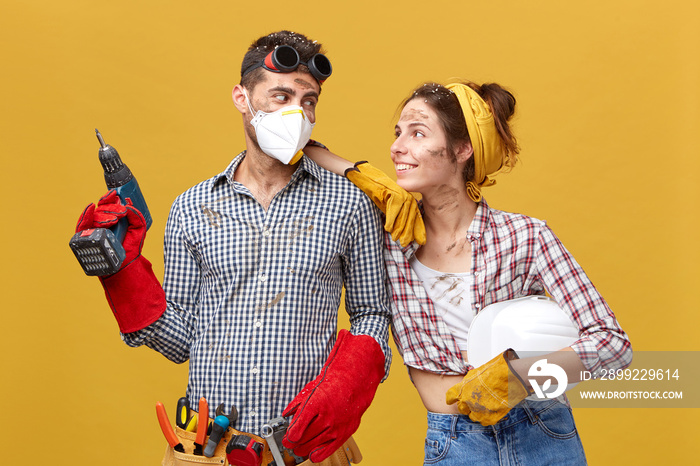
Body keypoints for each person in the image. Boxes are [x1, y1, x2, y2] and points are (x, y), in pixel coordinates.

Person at [74, 30, 391, 464]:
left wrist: (350, 383)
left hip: (306, 453)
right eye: (280, 96)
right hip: (206, 450)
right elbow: (183, 341)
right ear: (242, 97)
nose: (296, 112)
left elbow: (373, 312)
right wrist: (123, 275)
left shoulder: (348, 204)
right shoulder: (192, 207)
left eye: (308, 101)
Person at [304, 80, 633, 465]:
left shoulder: (525, 236)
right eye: (398, 133)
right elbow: (301, 150)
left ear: (462, 150)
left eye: (417, 133)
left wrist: (520, 377)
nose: (397, 147)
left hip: (542, 431)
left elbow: (613, 344)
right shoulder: (386, 238)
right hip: (456, 443)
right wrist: (362, 175)